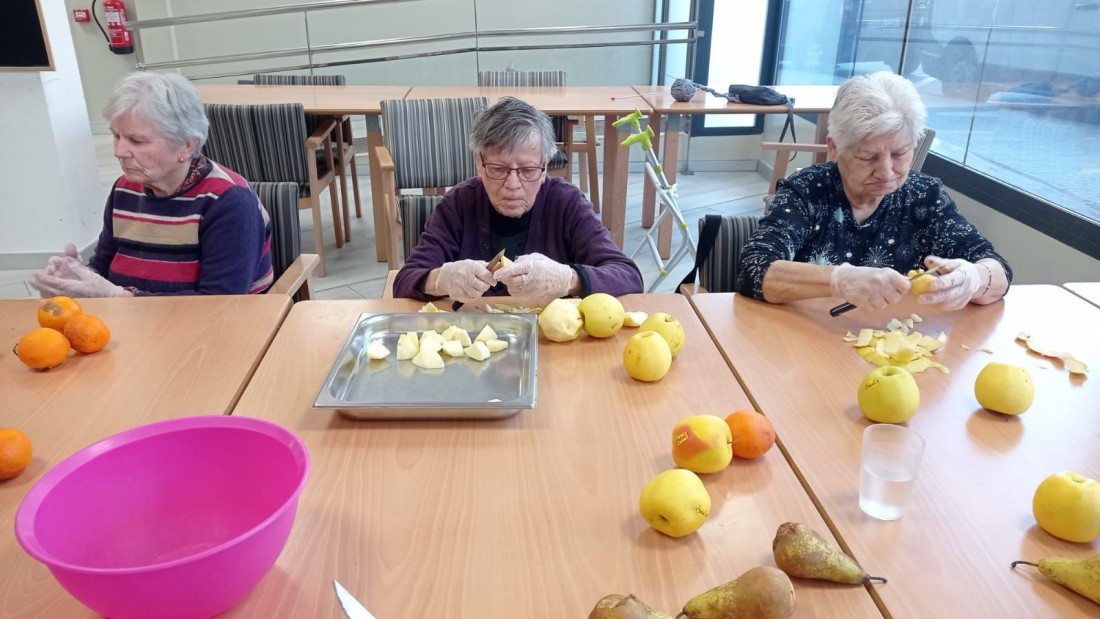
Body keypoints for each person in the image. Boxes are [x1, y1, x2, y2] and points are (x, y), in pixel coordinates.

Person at [735, 71, 1012, 311]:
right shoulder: (807, 192)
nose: (886, 172)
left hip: (893, 340)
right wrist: (838, 280)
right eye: (868, 157)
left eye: (900, 153)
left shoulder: (925, 197)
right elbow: (753, 269)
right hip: (808, 333)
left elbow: (998, 269)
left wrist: (975, 278)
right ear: (835, 148)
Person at [31, 71, 272, 297]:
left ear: (186, 146)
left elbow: (220, 302)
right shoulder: (125, 188)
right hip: (131, 317)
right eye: (116, 135)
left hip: (214, 323)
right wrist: (77, 279)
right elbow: (103, 264)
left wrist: (119, 297)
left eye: (137, 140)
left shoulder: (229, 201)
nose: (118, 151)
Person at [392, 96, 643, 305]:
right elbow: (404, 282)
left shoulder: (566, 203)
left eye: (528, 170)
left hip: (550, 338)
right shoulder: (458, 204)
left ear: (545, 167)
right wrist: (440, 280)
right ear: (479, 162)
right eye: (498, 169)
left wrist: (568, 279)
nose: (513, 184)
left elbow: (629, 276)